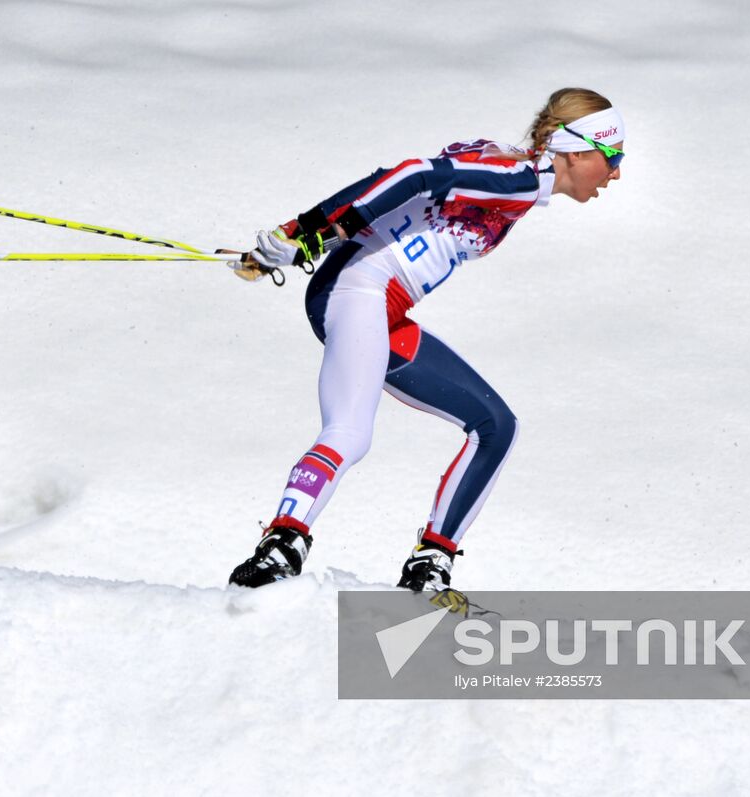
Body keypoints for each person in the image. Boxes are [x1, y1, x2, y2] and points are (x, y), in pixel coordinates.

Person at [228, 87, 626, 594]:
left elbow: (405, 196)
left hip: (381, 307)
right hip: (360, 292)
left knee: (495, 426)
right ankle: (281, 545)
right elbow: (414, 175)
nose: (616, 173)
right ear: (577, 150)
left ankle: (430, 564)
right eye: (613, 157)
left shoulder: (509, 168)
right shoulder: (518, 180)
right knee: (349, 432)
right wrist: (306, 229)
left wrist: (306, 239)